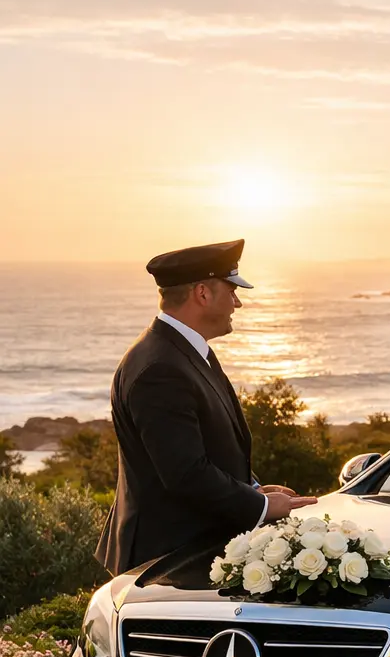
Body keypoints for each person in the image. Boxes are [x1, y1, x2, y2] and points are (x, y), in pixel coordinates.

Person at [95, 240, 316, 575]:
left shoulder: (186, 351)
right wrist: (261, 506)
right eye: (232, 291)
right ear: (202, 293)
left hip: (188, 550)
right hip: (165, 561)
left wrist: (252, 488)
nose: (237, 303)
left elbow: (206, 446)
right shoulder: (160, 368)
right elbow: (186, 474)